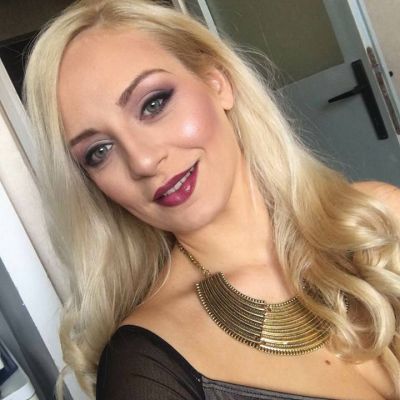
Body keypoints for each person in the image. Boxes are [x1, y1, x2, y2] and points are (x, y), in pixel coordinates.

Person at [23, 0, 400, 399]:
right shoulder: (146, 369)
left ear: (217, 82)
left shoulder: (379, 219)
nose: (144, 161)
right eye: (99, 151)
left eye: (153, 104)